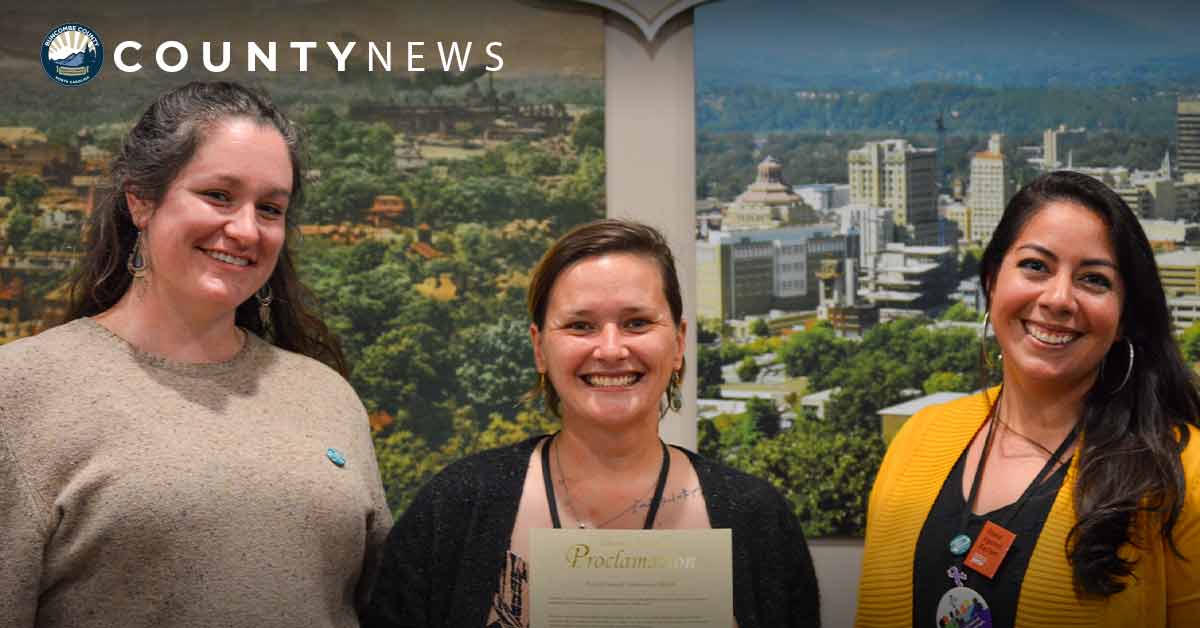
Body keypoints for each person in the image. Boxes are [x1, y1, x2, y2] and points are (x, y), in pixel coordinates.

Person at [0, 81, 391, 627]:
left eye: (271, 208)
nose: (245, 229)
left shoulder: (328, 396)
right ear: (141, 200)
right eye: (219, 196)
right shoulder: (19, 391)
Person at [365, 219, 820, 627]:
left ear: (679, 343)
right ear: (540, 348)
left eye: (637, 322)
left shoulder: (759, 519)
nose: (610, 349)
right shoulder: (455, 508)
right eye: (581, 326)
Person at [856, 171, 1200, 627]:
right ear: (991, 280)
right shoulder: (918, 439)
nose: (1059, 299)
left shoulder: (1183, 474)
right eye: (1036, 266)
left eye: (1094, 280)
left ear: (1123, 319)